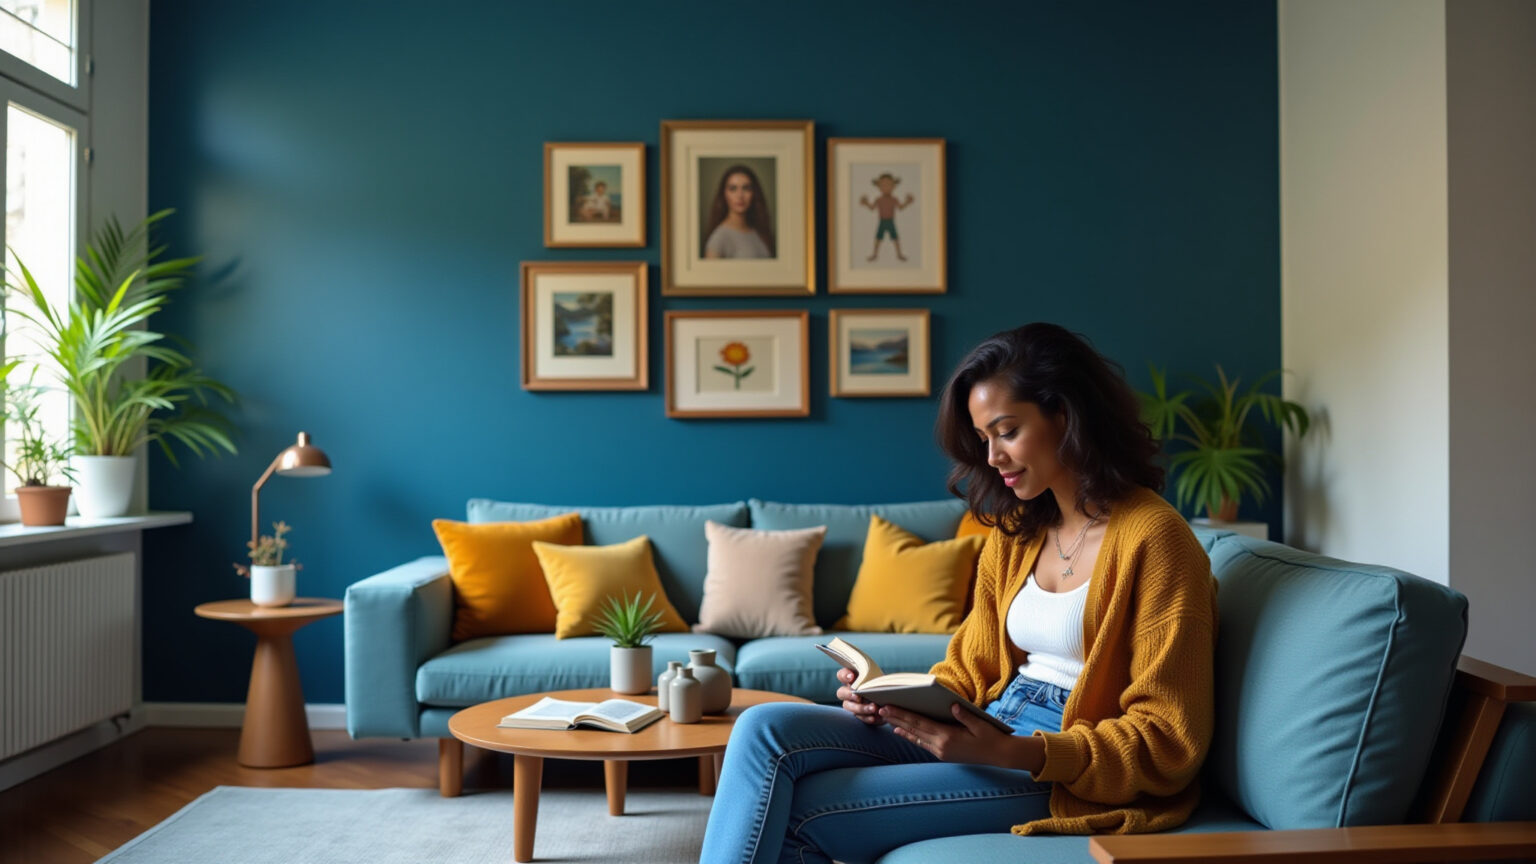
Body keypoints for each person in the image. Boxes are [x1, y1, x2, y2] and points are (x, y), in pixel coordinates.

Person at [699, 323, 1217, 864]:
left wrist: (1014, 750)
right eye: (983, 438)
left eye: (1007, 431)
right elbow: (970, 669)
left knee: (804, 810)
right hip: (988, 720)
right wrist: (889, 698)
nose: (992, 457)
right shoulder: (1019, 532)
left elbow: (1168, 741)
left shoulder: (1156, 540)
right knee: (762, 728)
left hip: (1059, 763)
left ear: (1065, 415)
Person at [703, 164, 775, 259]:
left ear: (754, 193)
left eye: (746, 188)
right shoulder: (719, 238)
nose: (740, 195)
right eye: (733, 189)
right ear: (724, 194)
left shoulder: (759, 232)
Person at [859, 172, 915, 262]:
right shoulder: (878, 199)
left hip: (891, 221)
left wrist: (907, 202)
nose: (886, 188)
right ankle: (875, 254)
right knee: (878, 238)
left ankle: (899, 254)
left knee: (895, 238)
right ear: (879, 187)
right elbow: (872, 208)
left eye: (889, 185)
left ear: (894, 186)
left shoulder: (894, 199)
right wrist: (865, 203)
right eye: (883, 185)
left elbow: (900, 207)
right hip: (882, 221)